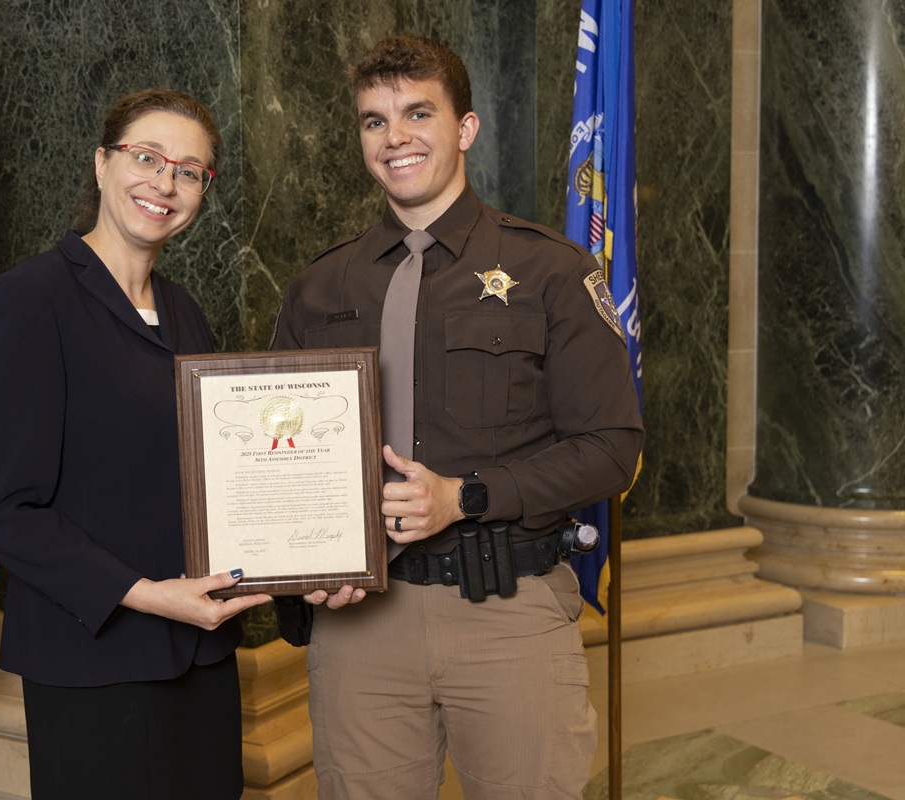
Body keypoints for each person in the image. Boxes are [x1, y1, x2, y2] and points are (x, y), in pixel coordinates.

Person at [270, 36, 644, 799]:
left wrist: (464, 495)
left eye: (417, 113)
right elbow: (280, 458)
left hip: (506, 612)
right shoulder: (319, 285)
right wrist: (298, 571)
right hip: (361, 625)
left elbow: (612, 448)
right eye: (374, 121)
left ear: (465, 128)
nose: (395, 136)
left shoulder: (552, 271)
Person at [0, 88, 271, 799]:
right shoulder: (33, 297)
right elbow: (5, 509)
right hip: (94, 659)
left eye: (190, 171)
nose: (165, 183)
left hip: (200, 653)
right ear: (102, 165)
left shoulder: (185, 312)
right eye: (146, 157)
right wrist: (149, 597)